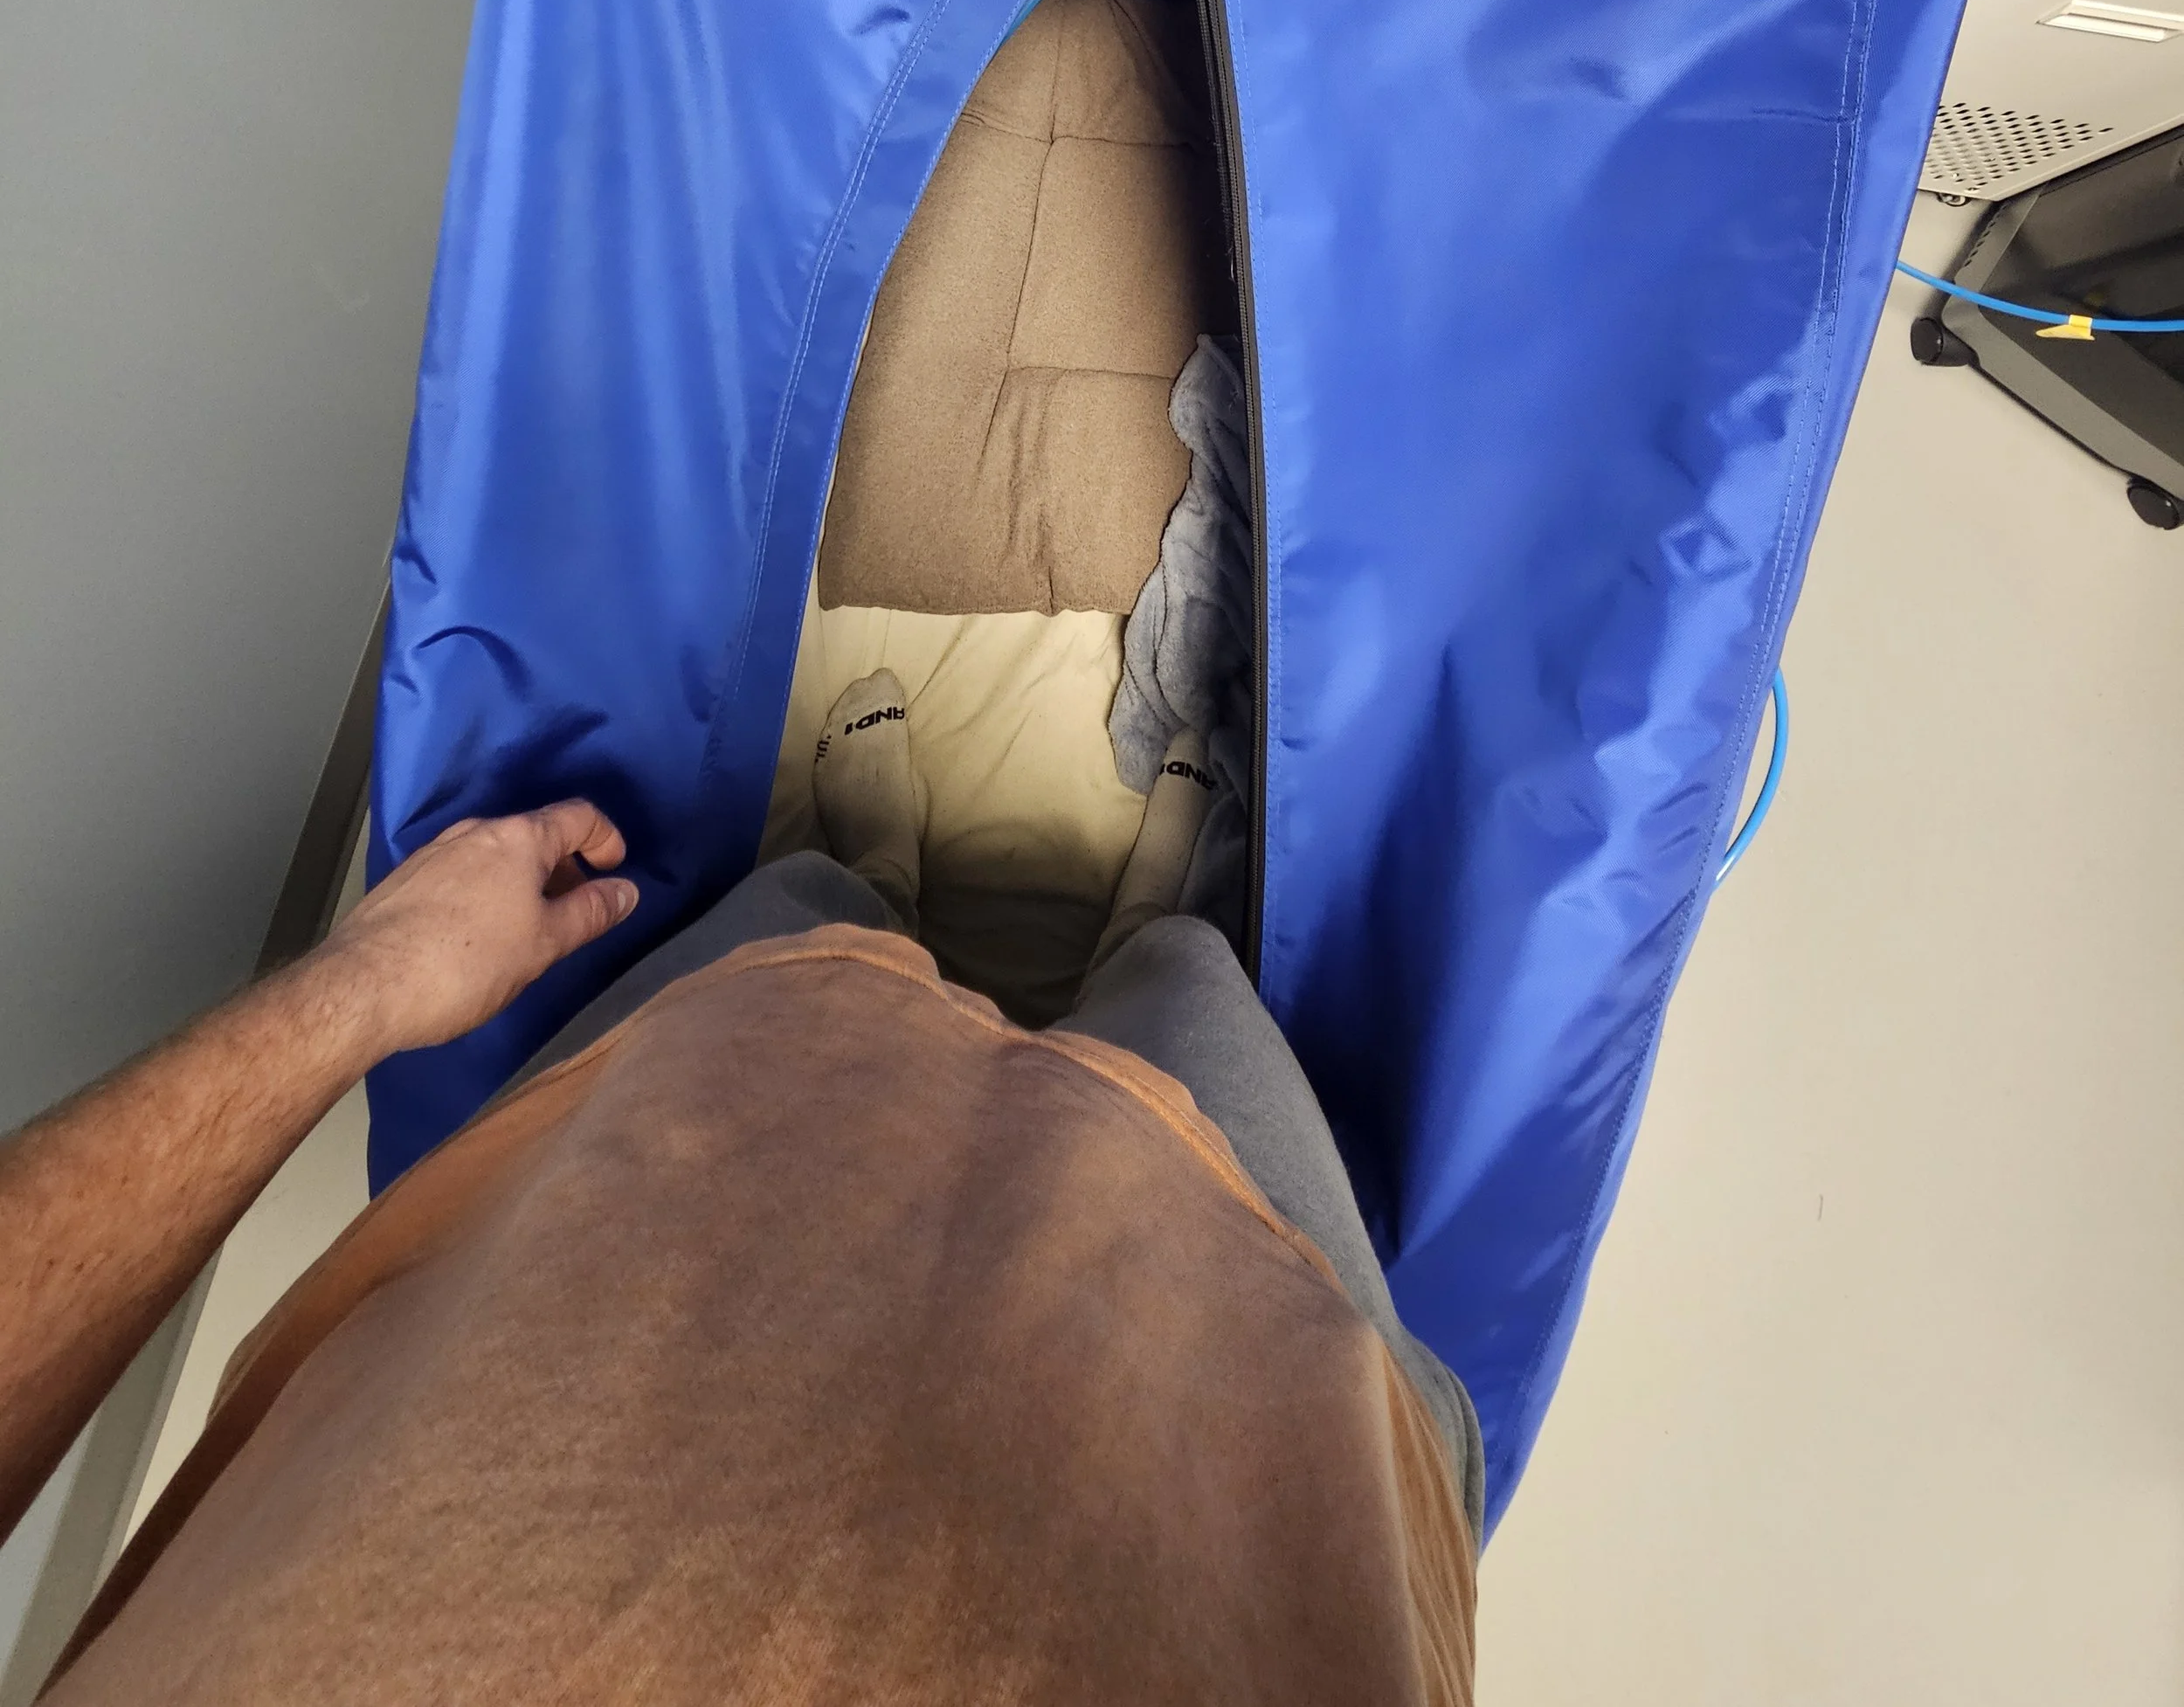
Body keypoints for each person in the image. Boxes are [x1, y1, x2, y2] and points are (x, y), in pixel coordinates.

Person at [0, 674, 1481, 1704]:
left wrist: (368, 987)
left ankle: (865, 879)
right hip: (1241, 1509)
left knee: (775, 991)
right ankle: (1159, 933)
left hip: (505, 1448)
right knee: (1204, 1065)